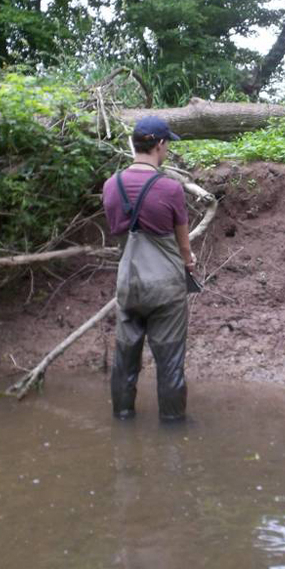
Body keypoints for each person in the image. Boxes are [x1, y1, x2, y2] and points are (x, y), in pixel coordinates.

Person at [102, 115, 196, 421]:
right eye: (167, 144)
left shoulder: (111, 185)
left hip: (129, 284)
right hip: (165, 288)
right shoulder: (170, 188)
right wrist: (189, 260)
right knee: (169, 364)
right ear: (159, 144)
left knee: (125, 362)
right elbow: (183, 245)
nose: (167, 150)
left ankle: (123, 418)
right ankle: (172, 428)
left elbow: (119, 231)